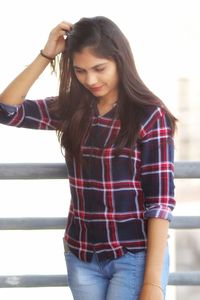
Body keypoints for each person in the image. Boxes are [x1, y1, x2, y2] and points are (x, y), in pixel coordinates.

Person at [0, 16, 176, 300]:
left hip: (133, 256)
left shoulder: (149, 115)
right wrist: (47, 54)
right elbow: (7, 110)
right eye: (80, 71)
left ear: (121, 60)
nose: (91, 80)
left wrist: (153, 283)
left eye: (99, 68)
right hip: (81, 256)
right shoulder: (73, 108)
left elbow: (160, 203)